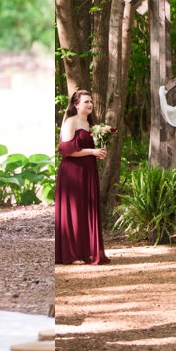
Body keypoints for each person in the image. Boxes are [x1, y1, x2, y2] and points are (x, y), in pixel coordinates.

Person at [55, 89, 110, 265]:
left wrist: (99, 151)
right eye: (86, 101)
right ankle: (71, 253)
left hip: (88, 170)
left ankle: (87, 252)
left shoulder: (90, 124)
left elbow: (88, 146)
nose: (90, 104)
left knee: (87, 209)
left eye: (91, 101)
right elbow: (65, 149)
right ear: (76, 105)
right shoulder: (71, 122)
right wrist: (92, 151)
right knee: (74, 211)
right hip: (72, 173)